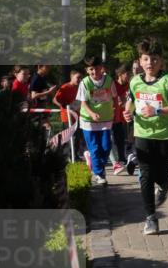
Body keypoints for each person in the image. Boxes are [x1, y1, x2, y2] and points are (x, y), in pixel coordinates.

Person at [125, 37, 168, 235]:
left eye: (155, 59)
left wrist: (157, 111)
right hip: (143, 133)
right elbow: (130, 100)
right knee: (145, 176)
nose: (151, 63)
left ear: (161, 62)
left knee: (160, 175)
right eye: (146, 59)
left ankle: (165, 184)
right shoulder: (135, 82)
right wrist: (127, 111)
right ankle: (150, 218)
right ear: (140, 61)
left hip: (164, 134)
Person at [77, 56, 115, 186]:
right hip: (89, 120)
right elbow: (83, 103)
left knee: (106, 147)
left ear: (102, 68)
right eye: (91, 69)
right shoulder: (85, 83)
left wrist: (117, 108)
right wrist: (92, 114)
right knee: (95, 148)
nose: (94, 71)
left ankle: (94, 162)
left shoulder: (109, 81)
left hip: (106, 119)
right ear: (87, 70)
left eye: (97, 68)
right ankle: (99, 174)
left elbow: (115, 98)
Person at [54, 69, 86, 161]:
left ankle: (74, 155)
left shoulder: (79, 87)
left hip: (77, 115)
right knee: (71, 136)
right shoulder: (65, 87)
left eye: (81, 77)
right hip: (67, 116)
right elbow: (55, 99)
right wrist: (63, 106)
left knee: (78, 135)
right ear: (71, 77)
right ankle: (68, 156)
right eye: (77, 77)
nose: (79, 79)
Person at [111, 64, 131, 175]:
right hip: (110, 116)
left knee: (121, 138)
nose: (128, 76)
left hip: (122, 117)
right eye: (126, 74)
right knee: (110, 140)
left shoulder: (128, 85)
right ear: (120, 74)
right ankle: (114, 162)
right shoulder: (113, 84)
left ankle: (122, 159)